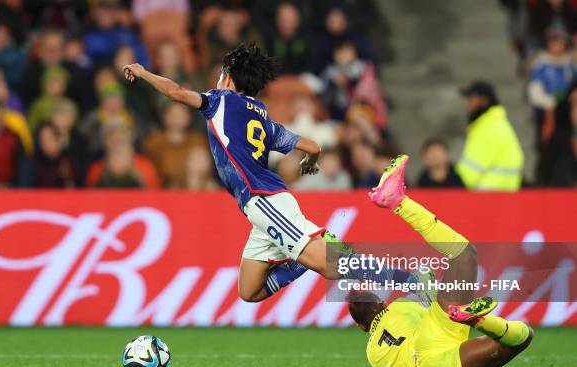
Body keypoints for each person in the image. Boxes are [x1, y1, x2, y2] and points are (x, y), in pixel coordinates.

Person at [123, 43, 417, 302]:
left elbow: (175, 92)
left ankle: (411, 281)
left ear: (228, 77)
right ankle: (301, 257)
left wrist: (142, 71)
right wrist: (310, 162)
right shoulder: (262, 115)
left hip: (265, 200)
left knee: (329, 266)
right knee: (250, 291)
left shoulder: (218, 100)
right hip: (263, 209)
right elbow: (312, 145)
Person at [348, 154, 533, 367]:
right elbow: (434, 307)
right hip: (434, 336)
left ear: (362, 327)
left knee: (522, 338)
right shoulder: (398, 307)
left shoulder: (372, 354)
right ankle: (398, 201)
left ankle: (477, 320)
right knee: (463, 253)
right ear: (381, 302)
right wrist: (428, 285)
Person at [456, 81, 524, 191]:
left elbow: (469, 172)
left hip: (487, 197)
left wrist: (448, 182)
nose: (466, 104)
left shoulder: (488, 127)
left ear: (484, 100)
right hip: (500, 197)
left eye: (470, 98)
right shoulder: (496, 123)